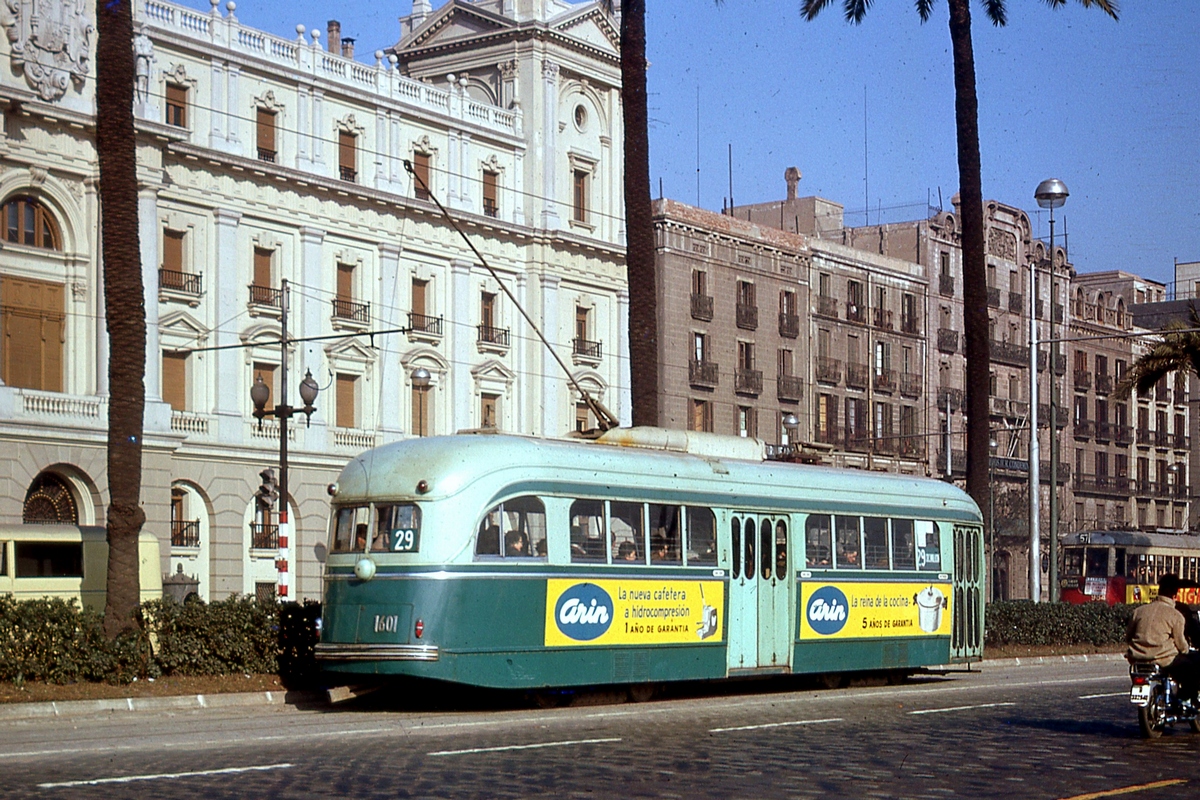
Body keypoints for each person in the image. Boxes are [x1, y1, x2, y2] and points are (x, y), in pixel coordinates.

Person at [1127, 574, 1200, 699]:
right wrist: (1186, 651)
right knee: (1192, 669)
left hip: (1137, 658)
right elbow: (1181, 644)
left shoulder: (1139, 611)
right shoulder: (1176, 615)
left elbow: (1129, 636)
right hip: (1164, 659)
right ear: (1174, 595)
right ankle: (1185, 699)